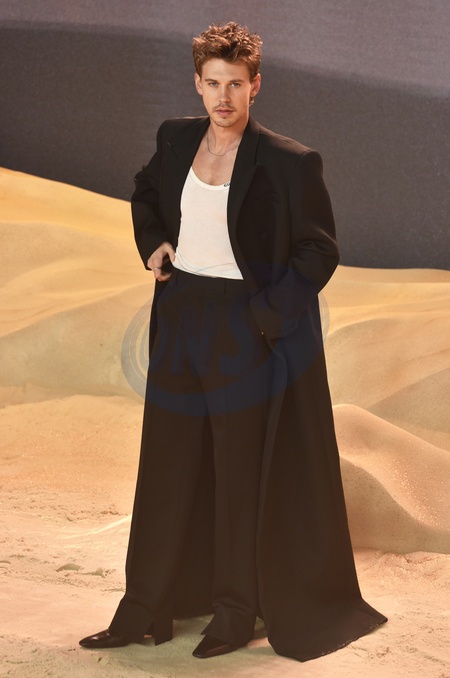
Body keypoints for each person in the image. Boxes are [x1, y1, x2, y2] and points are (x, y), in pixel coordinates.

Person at [79, 21, 386, 662]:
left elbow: (319, 250)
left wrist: (262, 318)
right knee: (165, 467)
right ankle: (144, 611)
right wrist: (153, 243)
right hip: (179, 316)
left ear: (255, 86)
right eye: (214, 83)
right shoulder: (174, 137)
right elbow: (144, 190)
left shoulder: (289, 161)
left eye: (236, 85)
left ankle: (234, 613)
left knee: (237, 476)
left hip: (243, 326)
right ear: (198, 83)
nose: (224, 97)